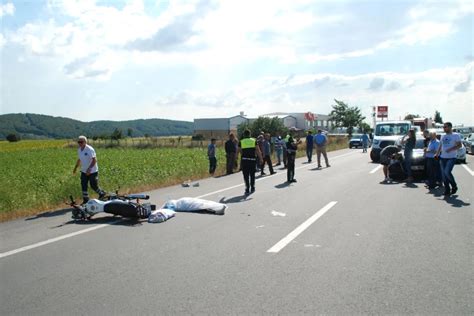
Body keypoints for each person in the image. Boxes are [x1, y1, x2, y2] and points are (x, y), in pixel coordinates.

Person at [72, 135, 105, 204]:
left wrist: (89, 169)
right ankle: (86, 199)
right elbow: (79, 159)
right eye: (78, 142)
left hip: (92, 171)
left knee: (93, 185)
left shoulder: (89, 149)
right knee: (83, 184)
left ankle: (102, 193)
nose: (79, 143)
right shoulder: (79, 150)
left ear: (85, 142)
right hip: (84, 171)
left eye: (81, 142)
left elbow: (94, 160)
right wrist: (75, 168)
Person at [435, 122, 462, 196]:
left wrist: (451, 149)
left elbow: (459, 145)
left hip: (451, 157)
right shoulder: (442, 136)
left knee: (447, 172)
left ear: (450, 127)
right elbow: (440, 146)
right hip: (443, 157)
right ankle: (447, 189)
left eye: (445, 127)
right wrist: (437, 154)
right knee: (444, 175)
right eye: (443, 127)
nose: (444, 128)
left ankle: (454, 186)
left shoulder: (455, 135)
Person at [238, 129, 263, 195]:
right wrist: (261, 158)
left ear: (244, 134)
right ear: (250, 134)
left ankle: (247, 188)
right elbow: (258, 150)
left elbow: (239, 151)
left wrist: (238, 158)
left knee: (245, 175)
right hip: (252, 160)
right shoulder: (254, 141)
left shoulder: (241, 141)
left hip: (244, 160)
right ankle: (252, 187)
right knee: (252, 174)